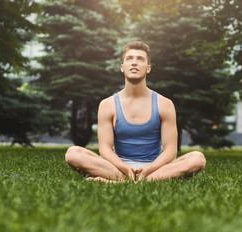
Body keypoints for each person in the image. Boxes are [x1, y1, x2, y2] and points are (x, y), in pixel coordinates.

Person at [65, 41, 206, 183]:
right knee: (73, 153)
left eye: (140, 59)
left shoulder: (165, 104)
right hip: (118, 168)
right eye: (129, 58)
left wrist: (148, 169)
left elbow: (170, 151)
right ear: (122, 67)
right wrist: (126, 168)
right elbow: (105, 150)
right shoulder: (107, 105)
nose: (134, 63)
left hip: (155, 168)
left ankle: (122, 182)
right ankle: (137, 180)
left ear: (148, 68)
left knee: (197, 159)